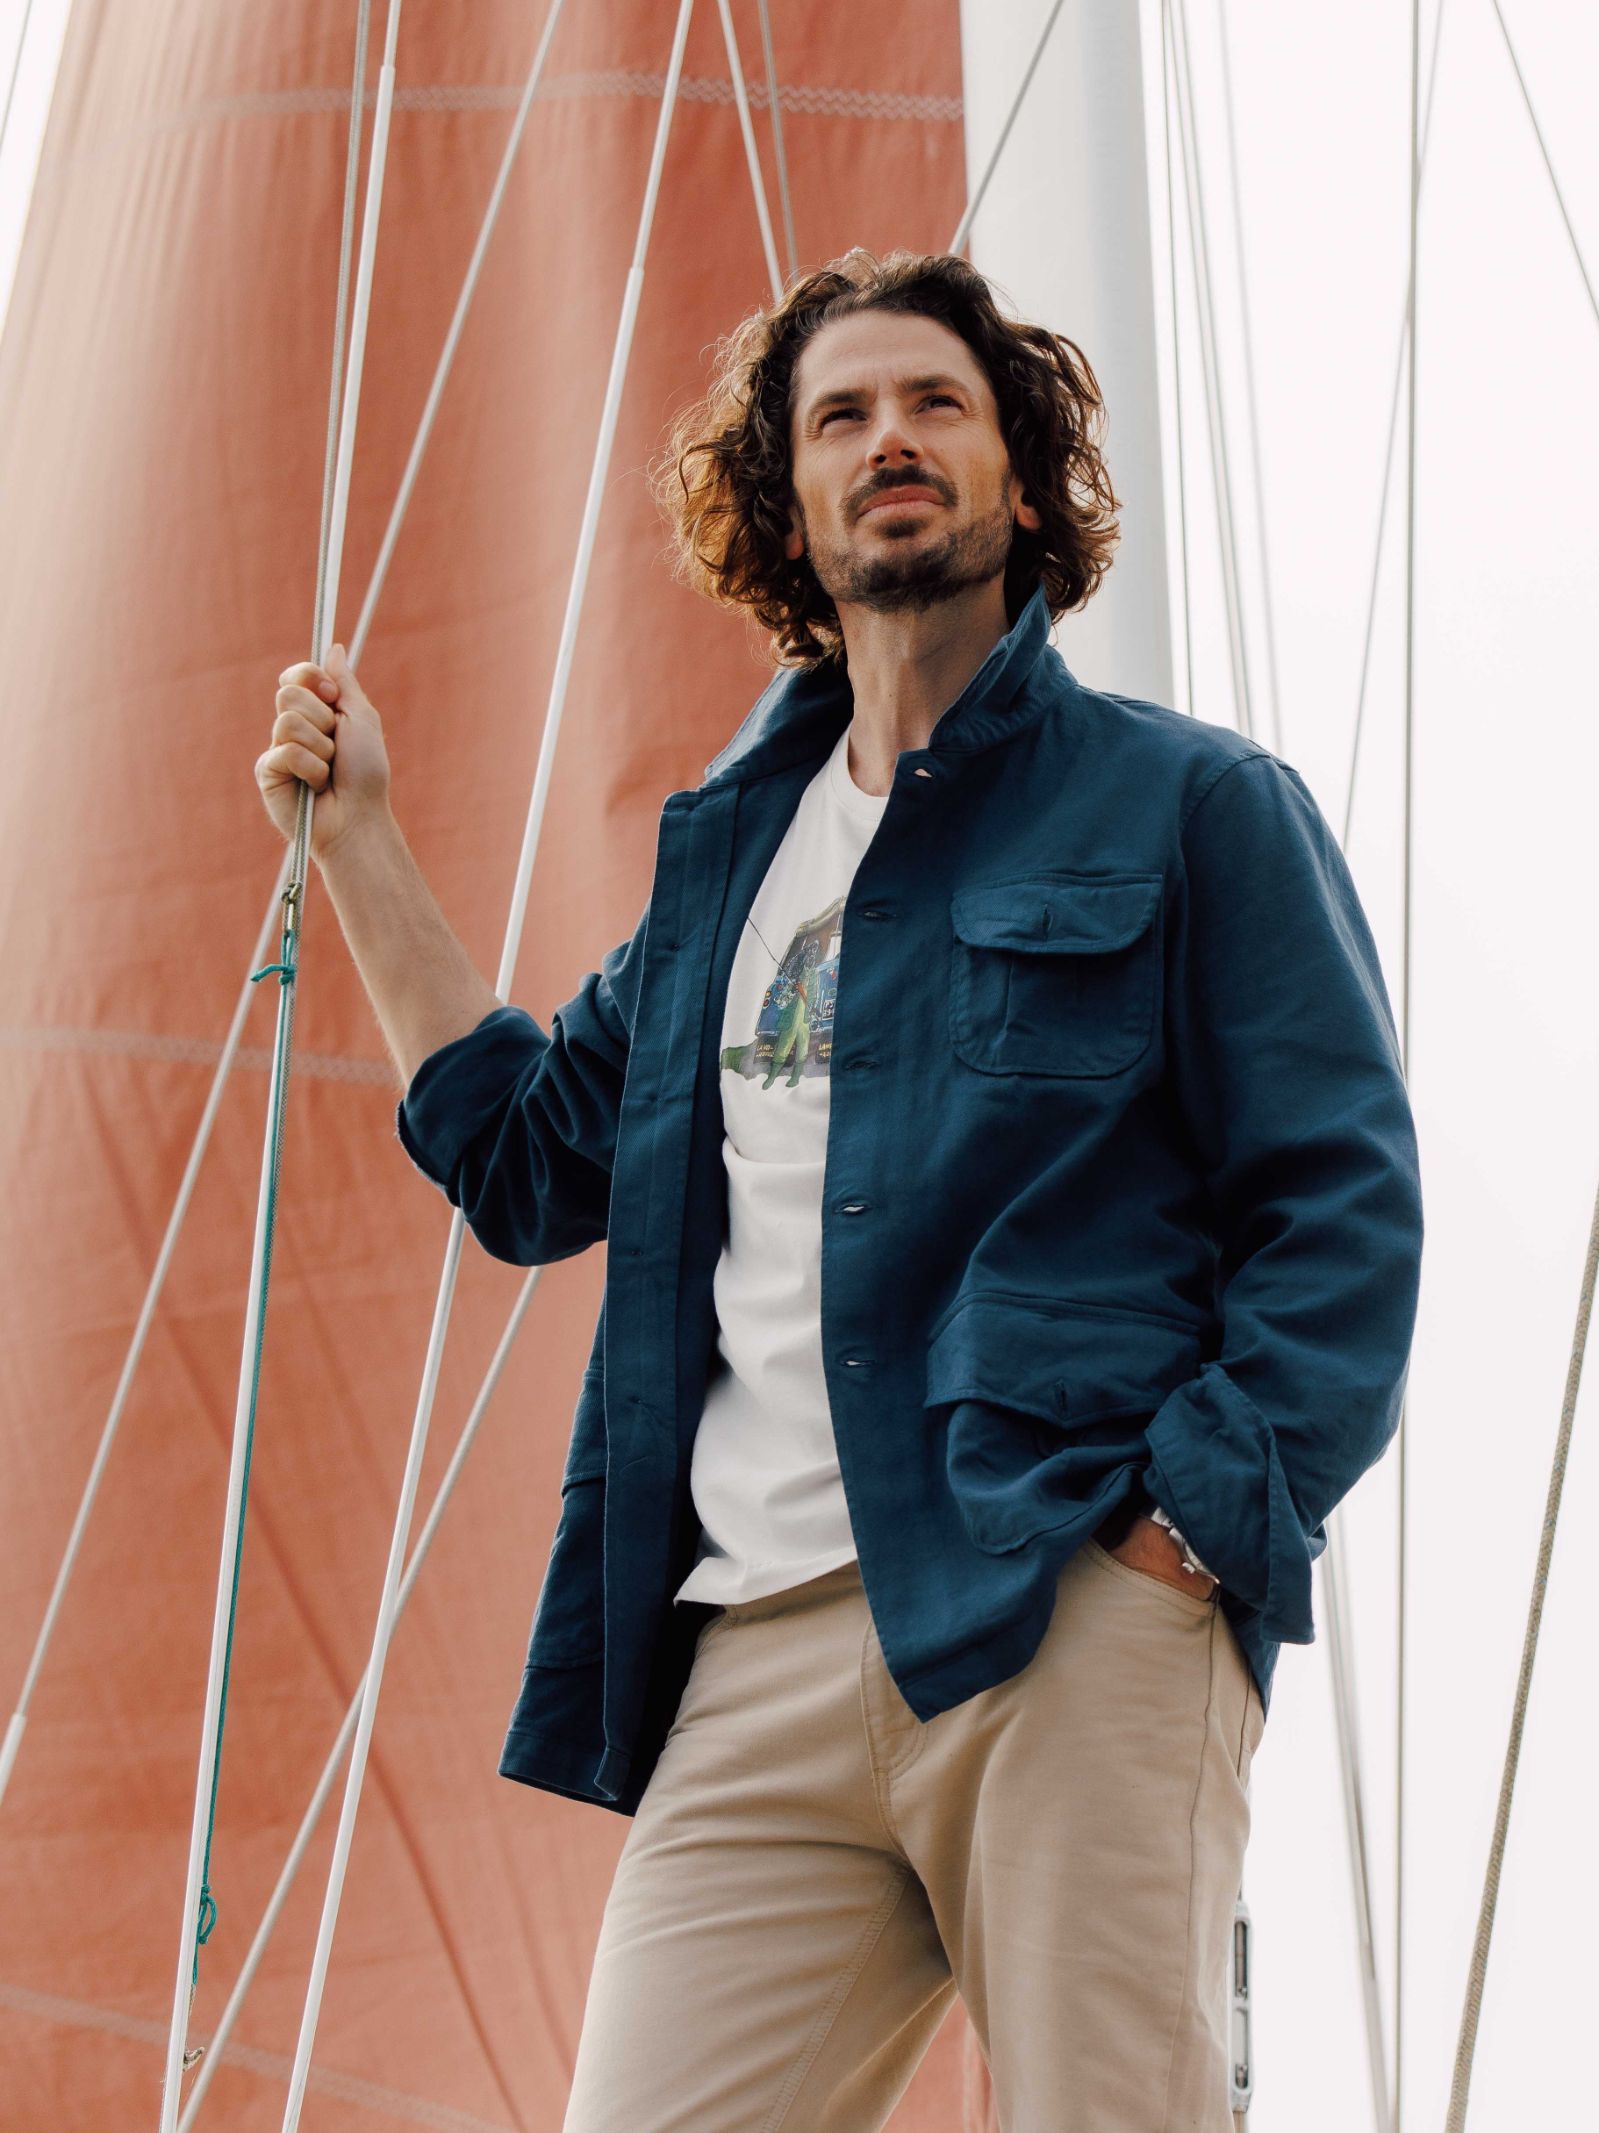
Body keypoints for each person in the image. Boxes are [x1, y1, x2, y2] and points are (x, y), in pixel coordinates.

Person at [257, 248, 1423, 2131]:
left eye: (937, 406)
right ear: (789, 513)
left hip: (1064, 1600)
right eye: (843, 417)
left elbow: (1344, 1210)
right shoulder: (728, 869)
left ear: (1019, 479)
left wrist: (1182, 1542)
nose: (893, 440)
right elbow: (528, 1163)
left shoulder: (1196, 807)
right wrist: (364, 842)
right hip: (749, 1649)